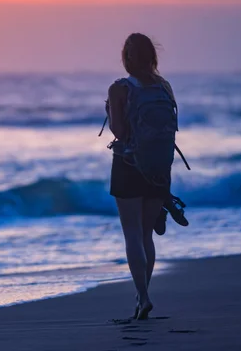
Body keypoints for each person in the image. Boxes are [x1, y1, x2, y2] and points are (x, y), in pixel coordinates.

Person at [105, 33, 183, 320]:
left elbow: (119, 131)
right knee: (147, 235)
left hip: (128, 164)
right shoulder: (164, 87)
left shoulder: (120, 88)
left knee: (132, 235)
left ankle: (143, 297)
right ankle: (142, 297)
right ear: (153, 57)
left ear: (126, 58)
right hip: (159, 168)